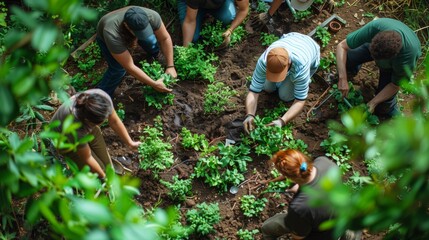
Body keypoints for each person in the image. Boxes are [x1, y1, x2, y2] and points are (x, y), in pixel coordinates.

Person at [336, 18, 422, 118]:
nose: (375, 62)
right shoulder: (375, 27)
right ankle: (350, 72)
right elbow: (342, 46)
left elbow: (395, 85)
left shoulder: (406, 58)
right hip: (376, 47)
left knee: (383, 105)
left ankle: (391, 110)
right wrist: (343, 78)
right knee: (349, 57)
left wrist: (373, 103)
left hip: (392, 65)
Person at [50, 89, 141, 179]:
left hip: (85, 128)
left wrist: (130, 143)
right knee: (100, 171)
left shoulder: (101, 98)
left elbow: (114, 121)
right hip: (65, 140)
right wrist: (104, 177)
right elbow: (87, 158)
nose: (106, 120)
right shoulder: (74, 126)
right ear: (89, 121)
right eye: (102, 120)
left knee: (109, 167)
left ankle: (110, 172)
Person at [243, 32, 320, 133]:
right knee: (268, 87)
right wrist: (249, 115)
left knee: (284, 96)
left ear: (288, 63)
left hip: (310, 48)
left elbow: (300, 100)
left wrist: (282, 121)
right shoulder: (265, 60)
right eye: (272, 73)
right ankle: (282, 81)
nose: (275, 78)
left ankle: (286, 82)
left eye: (279, 74)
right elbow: (253, 91)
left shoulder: (301, 67)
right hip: (291, 37)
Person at [96, 6, 177, 98]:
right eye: (139, 33)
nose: (141, 35)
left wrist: (170, 66)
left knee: (150, 41)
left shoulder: (153, 16)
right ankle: (100, 97)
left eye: (145, 31)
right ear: (127, 26)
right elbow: (129, 66)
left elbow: (165, 38)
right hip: (106, 34)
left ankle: (155, 55)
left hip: (127, 27)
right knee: (118, 69)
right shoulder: (112, 34)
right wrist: (154, 84)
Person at [260, 149, 339, 239]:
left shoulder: (299, 208)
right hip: (341, 217)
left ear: (289, 178)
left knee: (267, 228)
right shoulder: (324, 162)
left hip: (322, 234)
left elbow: (298, 237)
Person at [178, 0, 249, 47]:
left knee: (227, 18)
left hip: (218, 4)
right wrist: (186, 50)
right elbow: (189, 21)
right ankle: (199, 11)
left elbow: (244, 9)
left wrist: (230, 29)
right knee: (192, 39)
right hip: (190, 3)